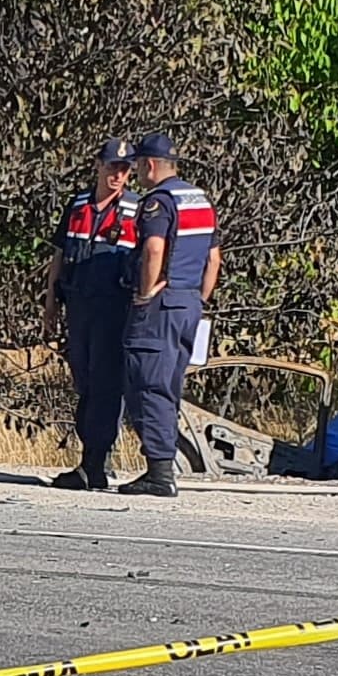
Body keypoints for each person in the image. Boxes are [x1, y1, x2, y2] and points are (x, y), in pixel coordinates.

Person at [117, 135, 219, 497]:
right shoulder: (200, 200)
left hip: (161, 304)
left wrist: (145, 293)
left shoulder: (158, 203)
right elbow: (213, 259)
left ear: (149, 164)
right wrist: (197, 298)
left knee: (149, 383)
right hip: (188, 302)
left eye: (137, 166)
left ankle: (160, 472)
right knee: (170, 383)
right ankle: (161, 466)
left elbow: (154, 248)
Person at [41, 138, 138, 489]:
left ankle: (95, 462)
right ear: (98, 165)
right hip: (78, 306)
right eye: (112, 166)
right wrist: (51, 300)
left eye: (124, 169)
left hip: (114, 309)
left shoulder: (136, 209)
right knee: (84, 381)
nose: (117, 175)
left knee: (106, 384)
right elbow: (59, 254)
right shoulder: (78, 204)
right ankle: (90, 459)